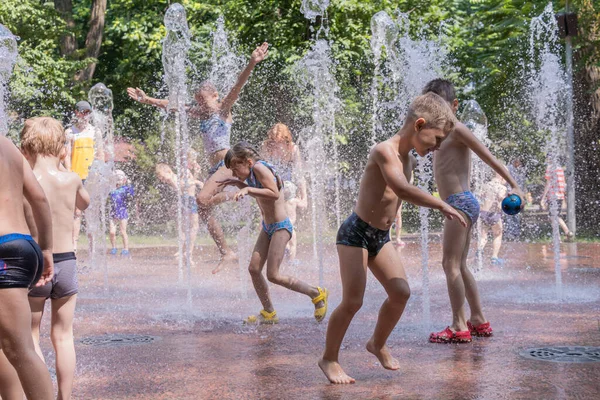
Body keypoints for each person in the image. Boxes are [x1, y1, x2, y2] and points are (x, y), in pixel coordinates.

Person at [319, 93, 466, 384]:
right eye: (436, 139)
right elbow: (401, 190)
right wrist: (441, 204)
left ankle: (377, 343)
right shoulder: (384, 151)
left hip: (380, 236)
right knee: (352, 301)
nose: (437, 148)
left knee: (400, 293)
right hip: (356, 234)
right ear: (419, 124)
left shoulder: (408, 159)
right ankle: (329, 358)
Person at [127, 42, 269, 273]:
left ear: (216, 96)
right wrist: (147, 100)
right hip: (215, 169)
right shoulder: (200, 113)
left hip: (228, 163)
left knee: (202, 201)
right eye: (198, 102)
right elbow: (173, 106)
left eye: (204, 101)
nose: (201, 106)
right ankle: (226, 251)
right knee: (202, 206)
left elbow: (238, 86)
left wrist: (252, 62)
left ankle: (236, 190)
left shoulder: (223, 110)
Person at [423, 79, 525, 343]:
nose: (434, 113)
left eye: (440, 107)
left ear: (454, 106)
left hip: (459, 202)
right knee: (460, 264)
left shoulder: (457, 129)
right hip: (461, 202)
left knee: (450, 265)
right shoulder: (438, 133)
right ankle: (478, 318)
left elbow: (490, 157)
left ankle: (459, 326)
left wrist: (515, 185)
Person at [17, 117, 90, 400]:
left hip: (35, 263)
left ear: (26, 147)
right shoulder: (70, 179)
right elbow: (84, 203)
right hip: (66, 262)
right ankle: (65, 396)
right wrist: (66, 168)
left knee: (31, 334)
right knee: (63, 335)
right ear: (62, 148)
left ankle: (39, 394)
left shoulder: (26, 180)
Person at [218, 142, 328, 325]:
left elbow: (274, 194)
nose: (234, 173)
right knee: (254, 269)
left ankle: (316, 293)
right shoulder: (253, 172)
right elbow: (261, 194)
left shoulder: (260, 168)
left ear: (248, 162)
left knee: (273, 275)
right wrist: (238, 183)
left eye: (235, 168)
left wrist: (246, 188)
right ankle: (269, 312)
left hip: (280, 227)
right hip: (268, 227)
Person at [0, 130, 55, 400]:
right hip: (22, 246)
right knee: (7, 344)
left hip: (3, 252)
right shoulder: (7, 146)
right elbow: (39, 199)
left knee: (20, 347)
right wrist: (45, 247)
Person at [261, 123, 307, 263]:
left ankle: (290, 256)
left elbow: (299, 174)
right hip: (272, 187)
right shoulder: (266, 147)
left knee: (289, 222)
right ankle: (279, 252)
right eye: (274, 139)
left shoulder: (293, 149)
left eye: (279, 139)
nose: (276, 142)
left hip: (287, 188)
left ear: (285, 137)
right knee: (267, 222)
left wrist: (304, 198)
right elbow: (262, 171)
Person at [64, 100, 103, 252]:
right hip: (76, 176)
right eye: (83, 112)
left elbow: (100, 155)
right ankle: (73, 245)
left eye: (88, 112)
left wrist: (100, 173)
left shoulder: (95, 132)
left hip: (92, 176)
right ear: (77, 113)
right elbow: (67, 155)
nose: (86, 115)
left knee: (91, 212)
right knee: (76, 212)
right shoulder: (70, 132)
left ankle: (93, 247)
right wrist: (69, 174)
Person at [155, 162, 202, 262]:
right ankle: (187, 253)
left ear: (168, 171)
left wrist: (195, 175)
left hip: (187, 200)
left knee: (186, 228)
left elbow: (185, 184)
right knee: (193, 227)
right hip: (188, 200)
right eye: (161, 179)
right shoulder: (173, 178)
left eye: (163, 177)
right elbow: (181, 186)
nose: (163, 180)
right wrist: (196, 182)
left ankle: (184, 251)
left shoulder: (174, 177)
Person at [477, 170, 507, 264]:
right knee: (498, 234)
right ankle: (494, 257)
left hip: (483, 213)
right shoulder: (502, 187)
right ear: (502, 176)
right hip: (494, 214)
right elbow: (500, 196)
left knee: (483, 236)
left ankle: (479, 251)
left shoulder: (486, 185)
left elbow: (479, 195)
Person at [540, 159, 573, 241]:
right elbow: (563, 184)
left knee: (553, 216)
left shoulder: (550, 168)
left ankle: (567, 232)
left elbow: (548, 183)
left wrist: (543, 197)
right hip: (560, 196)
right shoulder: (560, 169)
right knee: (554, 216)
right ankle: (558, 237)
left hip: (553, 196)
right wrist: (563, 196)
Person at [109, 170, 134, 256]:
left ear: (123, 180)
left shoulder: (125, 189)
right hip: (113, 213)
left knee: (123, 231)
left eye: (119, 179)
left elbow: (132, 194)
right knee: (112, 232)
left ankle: (126, 249)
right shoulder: (111, 189)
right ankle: (114, 247)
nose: (118, 181)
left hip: (123, 212)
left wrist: (129, 184)